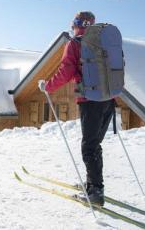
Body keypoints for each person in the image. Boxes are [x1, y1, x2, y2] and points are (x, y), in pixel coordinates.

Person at [38, 11, 114, 206]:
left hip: (90, 100)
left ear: (76, 24)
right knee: (94, 144)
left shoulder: (75, 43)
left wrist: (48, 86)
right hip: (108, 99)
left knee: (89, 146)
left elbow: (66, 71)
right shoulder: (105, 43)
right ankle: (93, 184)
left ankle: (96, 192)